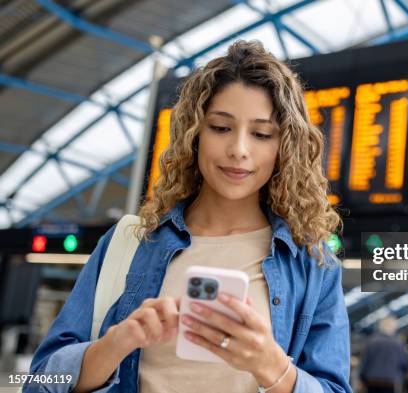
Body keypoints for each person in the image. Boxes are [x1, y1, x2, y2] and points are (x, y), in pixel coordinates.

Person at [26, 40, 351, 393]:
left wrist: (272, 368)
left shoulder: (313, 264)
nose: (238, 150)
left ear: (283, 146)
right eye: (221, 127)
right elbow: (42, 380)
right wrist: (116, 344)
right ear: (195, 135)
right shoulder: (129, 243)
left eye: (260, 134)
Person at [359, 316, 408, 393]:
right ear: (393, 328)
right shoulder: (398, 344)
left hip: (371, 381)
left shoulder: (371, 342)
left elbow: (364, 362)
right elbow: (404, 364)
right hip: (390, 381)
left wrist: (361, 378)